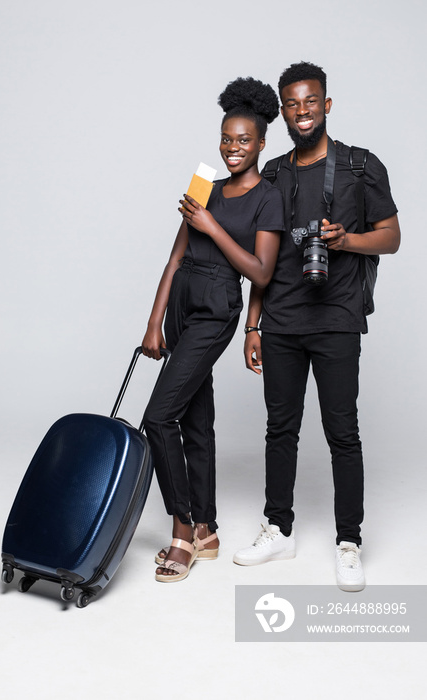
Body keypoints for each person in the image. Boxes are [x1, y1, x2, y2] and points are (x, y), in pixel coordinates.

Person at [233, 62, 400, 591]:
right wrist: (252, 325)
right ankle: (278, 528)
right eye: (291, 104)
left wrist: (345, 240)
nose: (301, 112)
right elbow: (264, 257)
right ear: (282, 111)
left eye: (310, 102)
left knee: (341, 433)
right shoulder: (275, 174)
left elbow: (392, 237)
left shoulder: (359, 167)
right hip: (280, 317)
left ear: (326, 105)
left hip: (336, 318)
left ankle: (348, 541)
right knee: (279, 429)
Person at [142, 77, 284, 582]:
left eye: (243, 140)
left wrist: (212, 226)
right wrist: (155, 322)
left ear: (262, 143)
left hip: (217, 305)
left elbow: (261, 273)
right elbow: (176, 256)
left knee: (158, 417)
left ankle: (182, 530)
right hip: (181, 301)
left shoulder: (268, 197)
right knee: (195, 421)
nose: (232, 148)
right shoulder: (205, 186)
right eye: (226, 139)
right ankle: (208, 528)